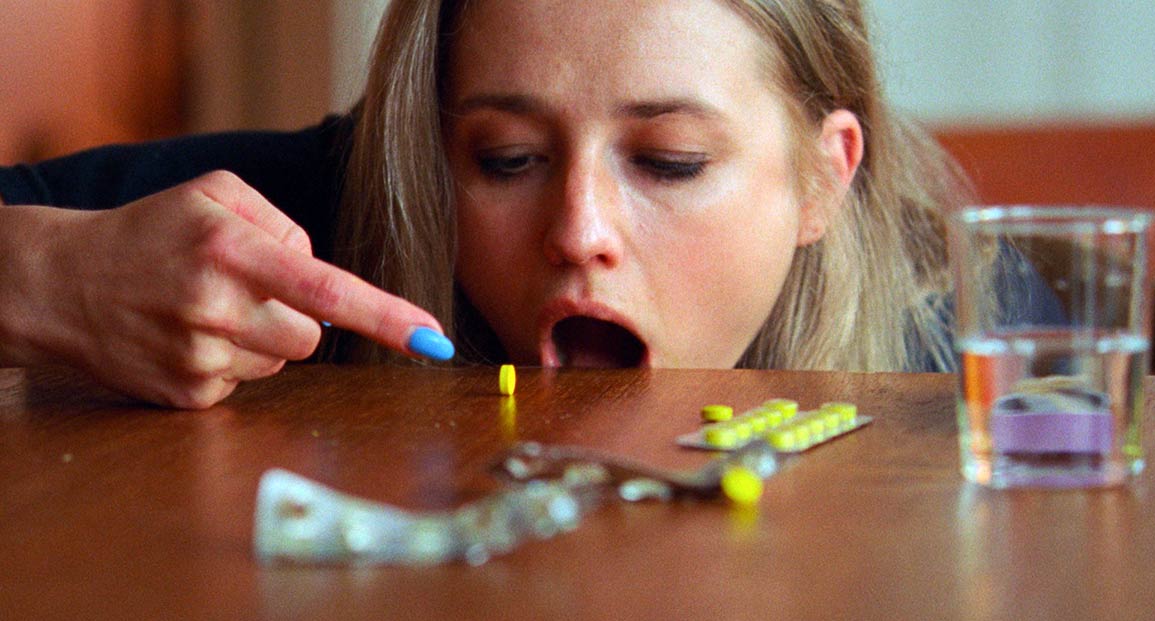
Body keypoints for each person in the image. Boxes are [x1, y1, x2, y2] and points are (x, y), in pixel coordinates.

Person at [0, 0, 970, 409]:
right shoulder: (303, 222)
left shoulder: (959, 355)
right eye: (508, 159)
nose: (579, 232)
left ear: (824, 178)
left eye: (669, 162)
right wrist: (41, 275)